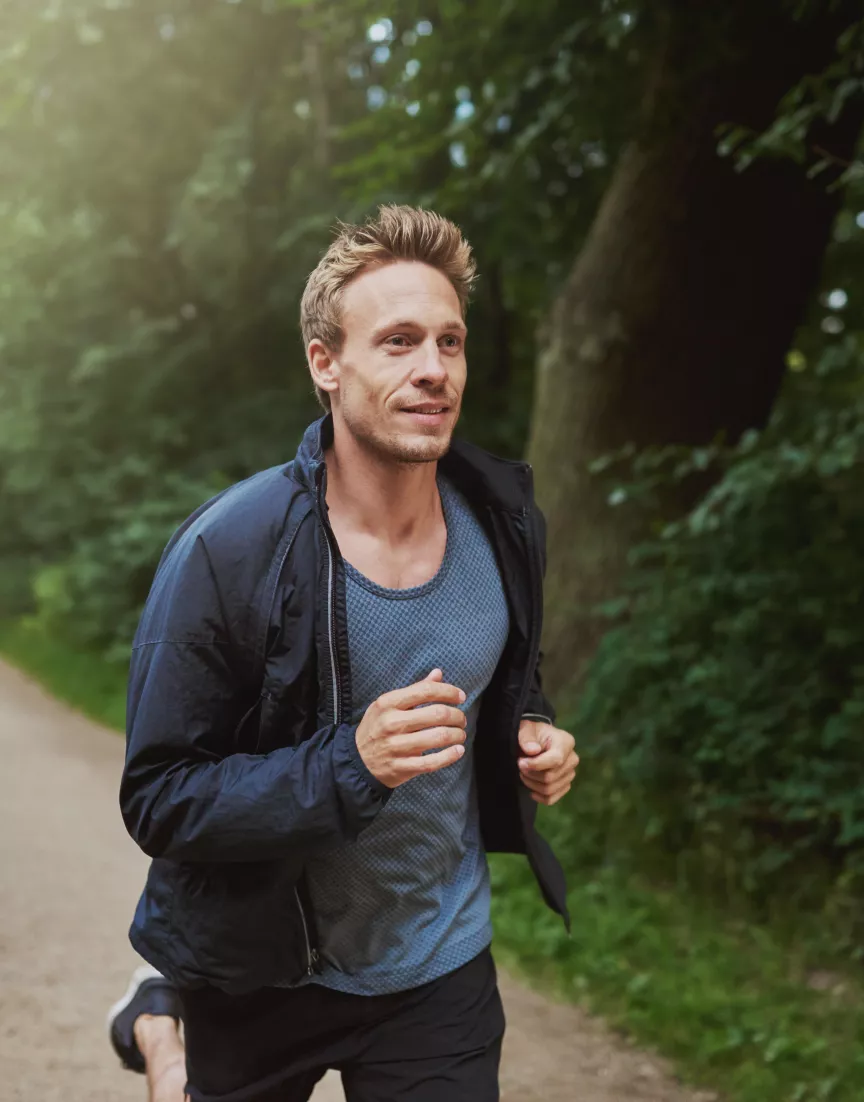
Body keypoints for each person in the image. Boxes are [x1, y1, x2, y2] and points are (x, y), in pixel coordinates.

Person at [108, 204, 578, 1102]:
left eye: (450, 341)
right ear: (326, 364)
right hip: (257, 971)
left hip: (438, 969)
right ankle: (161, 1030)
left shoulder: (506, 524)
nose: (433, 370)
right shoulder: (228, 551)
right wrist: (351, 762)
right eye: (398, 341)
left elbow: (507, 678)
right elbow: (160, 798)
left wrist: (534, 732)